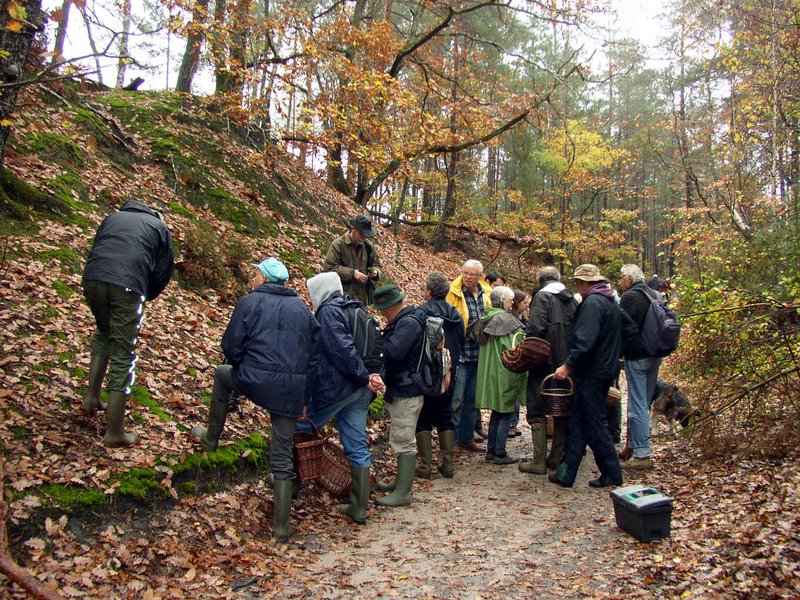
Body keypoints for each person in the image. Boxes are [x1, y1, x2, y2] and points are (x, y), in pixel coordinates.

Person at [190, 258, 320, 541]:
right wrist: (304, 396)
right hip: (290, 392)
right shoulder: (303, 310)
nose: (252, 277)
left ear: (264, 279)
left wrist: (243, 367)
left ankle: (212, 438)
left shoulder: (249, 303)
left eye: (255, 273)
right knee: (282, 456)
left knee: (223, 375)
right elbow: (313, 359)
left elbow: (231, 346)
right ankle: (282, 529)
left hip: (255, 381)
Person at [81, 199, 173, 447]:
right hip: (127, 285)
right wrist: (145, 294)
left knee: (103, 332)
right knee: (123, 353)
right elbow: (163, 271)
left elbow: (97, 247)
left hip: (92, 278)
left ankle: (92, 398)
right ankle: (115, 433)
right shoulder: (159, 227)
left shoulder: (112, 217)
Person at [301, 272, 384, 524]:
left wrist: (362, 376)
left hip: (339, 387)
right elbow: (375, 347)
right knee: (356, 443)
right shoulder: (356, 308)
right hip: (360, 390)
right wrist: (373, 376)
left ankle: (287, 481)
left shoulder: (328, 312)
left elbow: (342, 349)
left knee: (302, 426)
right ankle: (359, 507)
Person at [549, 264, 636, 489]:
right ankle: (565, 474)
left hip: (591, 373)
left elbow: (584, 340)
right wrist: (614, 353)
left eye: (579, 282)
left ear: (586, 283)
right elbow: (630, 329)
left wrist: (568, 365)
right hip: (603, 369)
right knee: (579, 421)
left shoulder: (592, 303)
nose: (577, 286)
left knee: (595, 424)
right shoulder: (609, 301)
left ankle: (612, 474)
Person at [518, 266, 578, 475]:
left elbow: (535, 329)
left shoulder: (541, 297)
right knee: (562, 406)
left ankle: (538, 461)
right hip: (567, 362)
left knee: (536, 406)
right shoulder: (572, 299)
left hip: (543, 360)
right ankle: (556, 456)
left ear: (540, 281)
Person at [372, 284, 426, 507]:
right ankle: (399, 484)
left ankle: (403, 492)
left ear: (388, 306)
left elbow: (394, 352)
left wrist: (376, 342)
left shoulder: (407, 324)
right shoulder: (408, 320)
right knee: (401, 436)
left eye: (382, 308)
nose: (381, 313)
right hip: (405, 387)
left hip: (407, 388)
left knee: (404, 440)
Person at [416, 272, 465, 479]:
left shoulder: (421, 313)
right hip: (448, 372)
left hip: (427, 373)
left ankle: (425, 466)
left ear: (428, 291)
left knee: (424, 417)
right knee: (446, 417)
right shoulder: (456, 314)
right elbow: (461, 342)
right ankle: (448, 464)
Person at [473, 286, 527, 464]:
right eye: (510, 300)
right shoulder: (507, 322)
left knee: (497, 412)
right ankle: (500, 452)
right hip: (505, 373)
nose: (512, 303)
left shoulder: (486, 318)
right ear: (502, 301)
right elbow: (516, 349)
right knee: (505, 413)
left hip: (489, 373)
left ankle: (491, 451)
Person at [618, 264, 664, 470]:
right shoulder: (655, 294)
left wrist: (617, 353)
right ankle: (633, 447)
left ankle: (642, 454)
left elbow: (624, 329)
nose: (619, 281)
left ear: (629, 279)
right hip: (655, 354)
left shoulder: (630, 298)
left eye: (621, 277)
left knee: (636, 405)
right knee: (643, 402)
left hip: (637, 357)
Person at [446, 259, 492, 453]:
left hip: (479, 352)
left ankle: (466, 438)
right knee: (456, 399)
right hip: (461, 353)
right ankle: (453, 441)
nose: (468, 277)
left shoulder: (486, 292)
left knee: (472, 400)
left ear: (480, 275)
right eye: (465, 273)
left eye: (472, 274)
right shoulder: (454, 292)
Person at [322, 215, 382, 305]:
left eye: (366, 235)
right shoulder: (338, 244)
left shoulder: (369, 246)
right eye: (361, 234)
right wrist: (352, 273)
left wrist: (375, 272)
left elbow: (376, 265)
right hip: (342, 297)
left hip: (362, 298)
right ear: (353, 229)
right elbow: (329, 268)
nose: (364, 237)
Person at [507, 289, 531, 437]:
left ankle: (513, 422)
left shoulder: (525, 319)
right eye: (524, 303)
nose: (527, 306)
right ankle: (510, 423)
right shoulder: (512, 320)